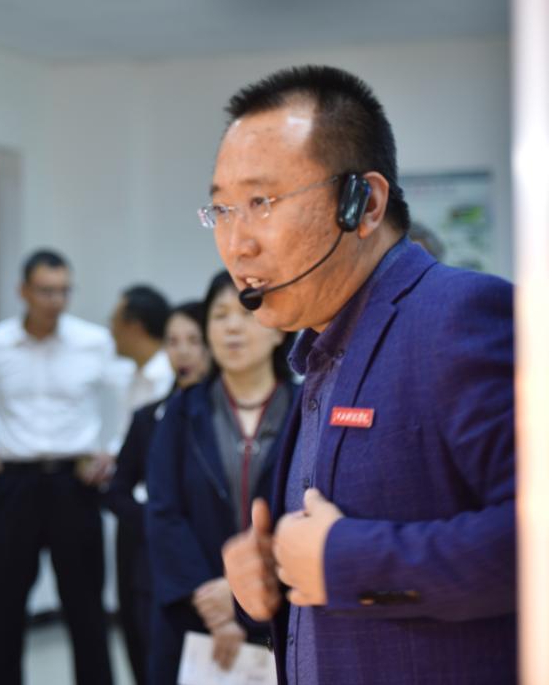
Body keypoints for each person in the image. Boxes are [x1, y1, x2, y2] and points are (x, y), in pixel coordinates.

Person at [211, 66, 515, 684]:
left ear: (365, 204)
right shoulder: (319, 351)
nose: (237, 243)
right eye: (222, 208)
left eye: (262, 203)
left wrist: (346, 562)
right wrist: (267, 578)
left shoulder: (457, 315)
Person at [0, 249, 118, 685]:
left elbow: (131, 394)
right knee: (4, 607)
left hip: (74, 483)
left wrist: (113, 450)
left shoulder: (93, 342)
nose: (56, 301)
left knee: (86, 607)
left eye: (64, 291)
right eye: (46, 291)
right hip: (13, 483)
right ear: (23, 291)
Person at [145, 272, 296, 685]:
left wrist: (242, 593)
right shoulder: (181, 412)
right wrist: (214, 600)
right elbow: (163, 512)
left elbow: (307, 512)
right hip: (197, 614)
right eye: (219, 315)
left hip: (284, 612)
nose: (231, 327)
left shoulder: (306, 408)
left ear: (279, 328)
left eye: (246, 312)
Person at [104, 300, 210, 685]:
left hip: (215, 573)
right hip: (153, 569)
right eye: (173, 341)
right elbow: (116, 491)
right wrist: (157, 521)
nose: (182, 352)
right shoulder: (149, 417)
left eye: (193, 341)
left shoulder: (228, 419)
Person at [109, 284, 174, 417]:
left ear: (135, 328)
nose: (111, 332)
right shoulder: (133, 375)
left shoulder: (170, 378)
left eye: (114, 322)